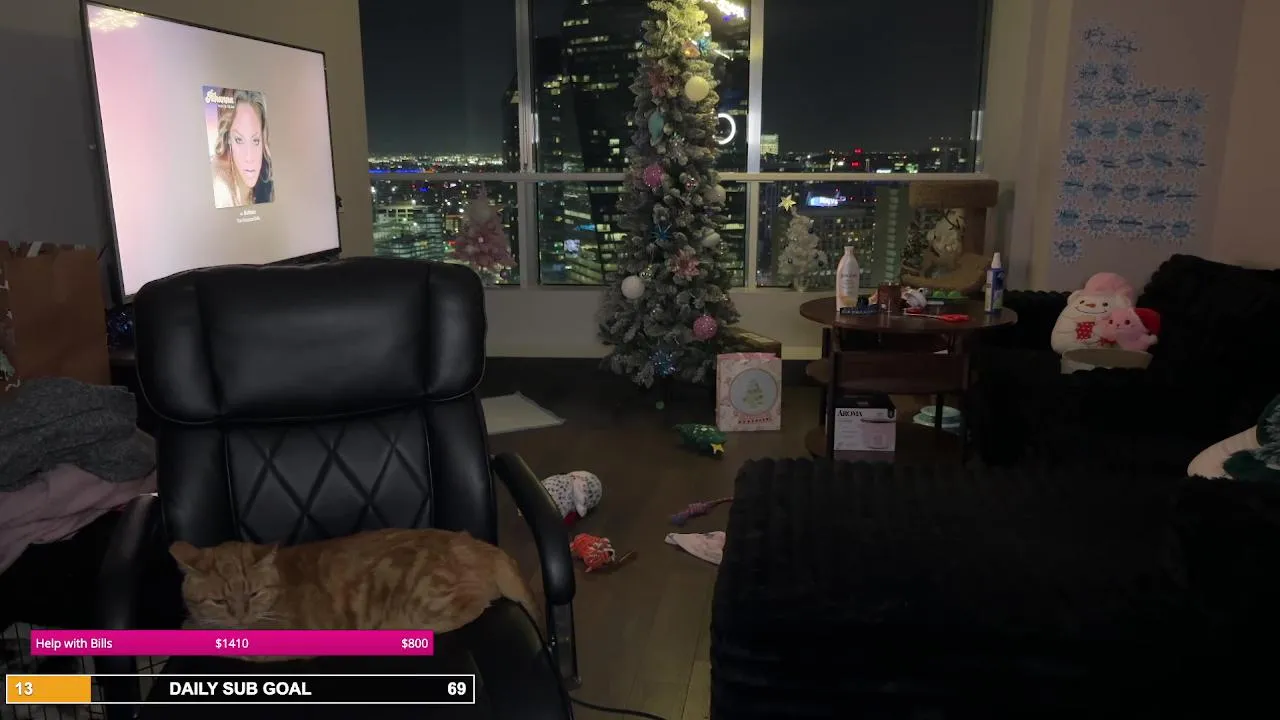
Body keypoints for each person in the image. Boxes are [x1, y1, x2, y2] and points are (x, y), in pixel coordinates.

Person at [210, 89, 274, 208]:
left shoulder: (269, 177)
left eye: (255, 140)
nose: (249, 157)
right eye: (239, 140)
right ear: (228, 138)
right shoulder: (221, 192)